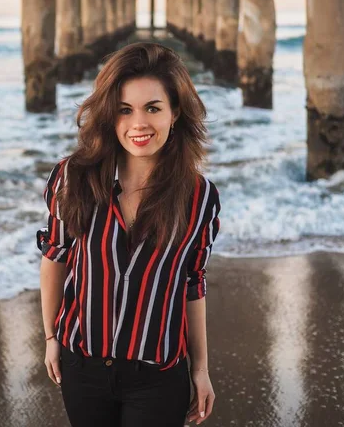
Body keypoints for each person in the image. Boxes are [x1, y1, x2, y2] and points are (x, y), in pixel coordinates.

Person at [36, 42, 221, 427]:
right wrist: (51, 337)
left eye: (152, 108)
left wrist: (200, 370)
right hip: (82, 366)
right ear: (109, 115)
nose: (139, 123)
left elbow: (192, 282)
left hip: (158, 375)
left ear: (174, 114)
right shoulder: (73, 179)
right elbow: (55, 257)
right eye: (125, 110)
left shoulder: (199, 197)